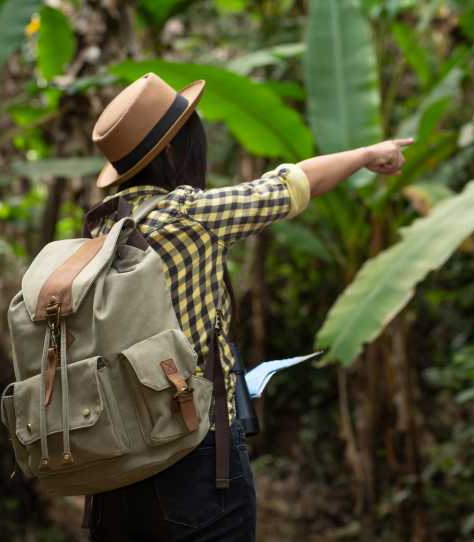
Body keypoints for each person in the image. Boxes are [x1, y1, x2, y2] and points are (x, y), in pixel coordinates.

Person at [84, 72, 412, 541]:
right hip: (191, 454)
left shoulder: (97, 230)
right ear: (176, 151)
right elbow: (290, 186)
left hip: (113, 467)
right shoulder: (187, 216)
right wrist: (366, 153)